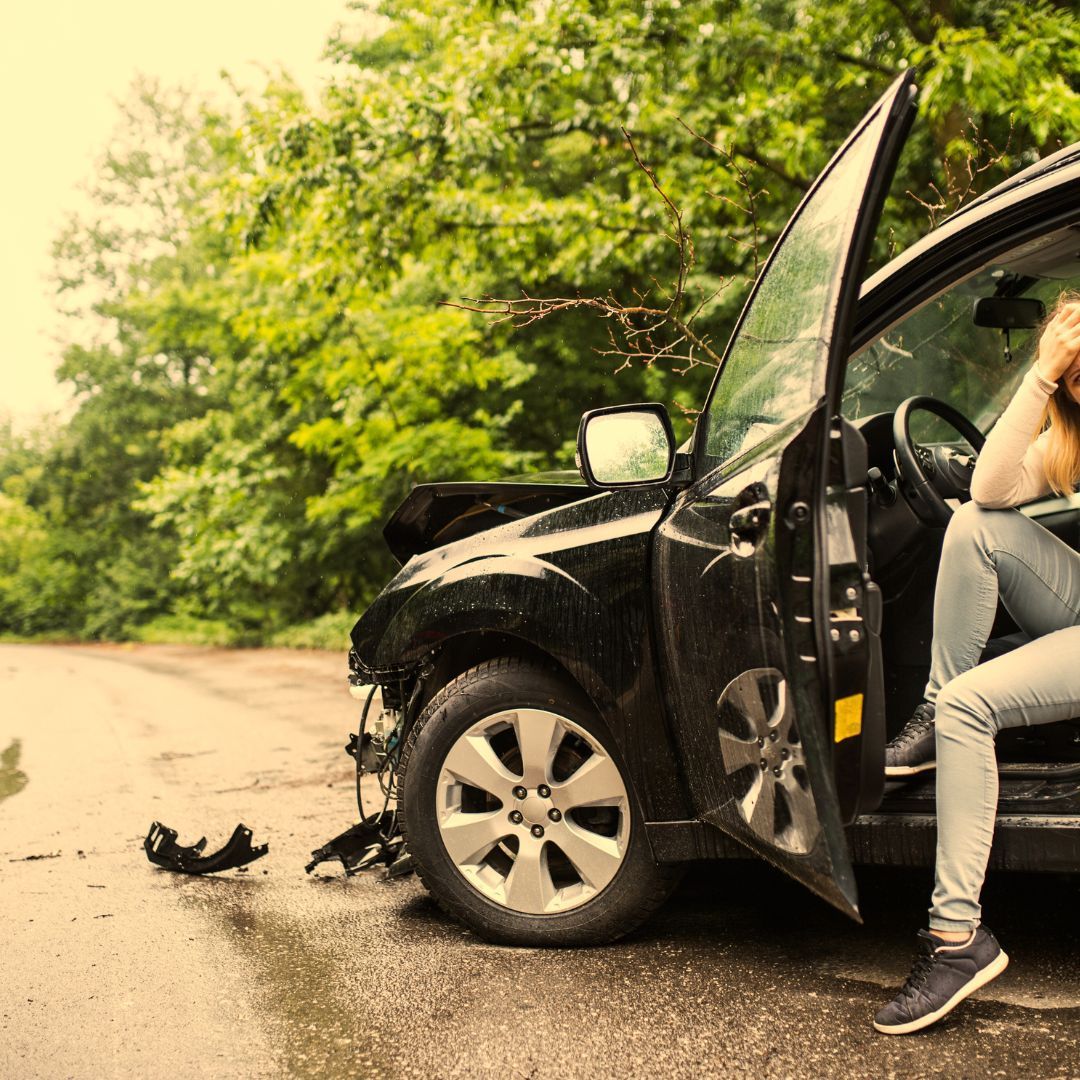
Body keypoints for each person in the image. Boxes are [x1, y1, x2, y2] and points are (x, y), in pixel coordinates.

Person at [873, 293, 1080, 1035]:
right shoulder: (1069, 436)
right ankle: (935, 708)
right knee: (973, 523)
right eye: (1070, 360)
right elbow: (990, 489)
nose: (1076, 371)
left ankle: (956, 938)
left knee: (973, 706)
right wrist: (1040, 380)